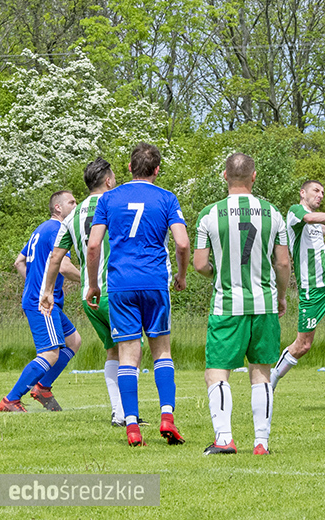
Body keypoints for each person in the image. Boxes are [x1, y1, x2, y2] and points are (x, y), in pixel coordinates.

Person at [86, 142, 190, 447]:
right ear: (157, 170)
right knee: (162, 351)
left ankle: (132, 425)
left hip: (121, 284)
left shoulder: (108, 199)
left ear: (130, 168)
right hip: (155, 281)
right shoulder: (167, 198)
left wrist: (93, 284)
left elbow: (93, 246)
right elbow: (182, 243)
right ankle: (167, 416)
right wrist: (181, 276)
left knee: (128, 356)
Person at [194, 152, 290, 455]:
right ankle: (261, 443)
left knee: (217, 371)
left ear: (224, 176)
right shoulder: (273, 212)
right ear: (254, 176)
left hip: (227, 305)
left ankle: (224, 439)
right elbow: (283, 263)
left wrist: (216, 272)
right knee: (261, 372)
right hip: (264, 303)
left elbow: (199, 265)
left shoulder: (210, 214)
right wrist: (282, 296)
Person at [40, 158, 147, 428]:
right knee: (132, 351)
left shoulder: (72, 216)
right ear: (109, 181)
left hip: (90, 296)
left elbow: (56, 257)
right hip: (116, 290)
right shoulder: (114, 204)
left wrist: (47, 291)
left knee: (113, 351)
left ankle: (118, 412)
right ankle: (126, 414)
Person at [0, 191, 82, 412]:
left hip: (38, 298)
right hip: (42, 302)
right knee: (49, 353)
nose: (76, 205)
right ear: (58, 207)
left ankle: (43, 387)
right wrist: (91, 280)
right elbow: (63, 266)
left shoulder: (41, 229)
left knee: (73, 341)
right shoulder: (57, 229)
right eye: (71, 202)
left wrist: (36, 282)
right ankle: (11, 400)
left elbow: (19, 262)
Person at [270, 180, 325, 390]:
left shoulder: (312, 224)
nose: (320, 194)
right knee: (303, 345)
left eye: (323, 192)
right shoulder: (296, 212)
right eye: (316, 190)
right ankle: (271, 380)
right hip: (312, 289)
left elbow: (317, 227)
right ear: (302, 192)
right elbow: (310, 219)